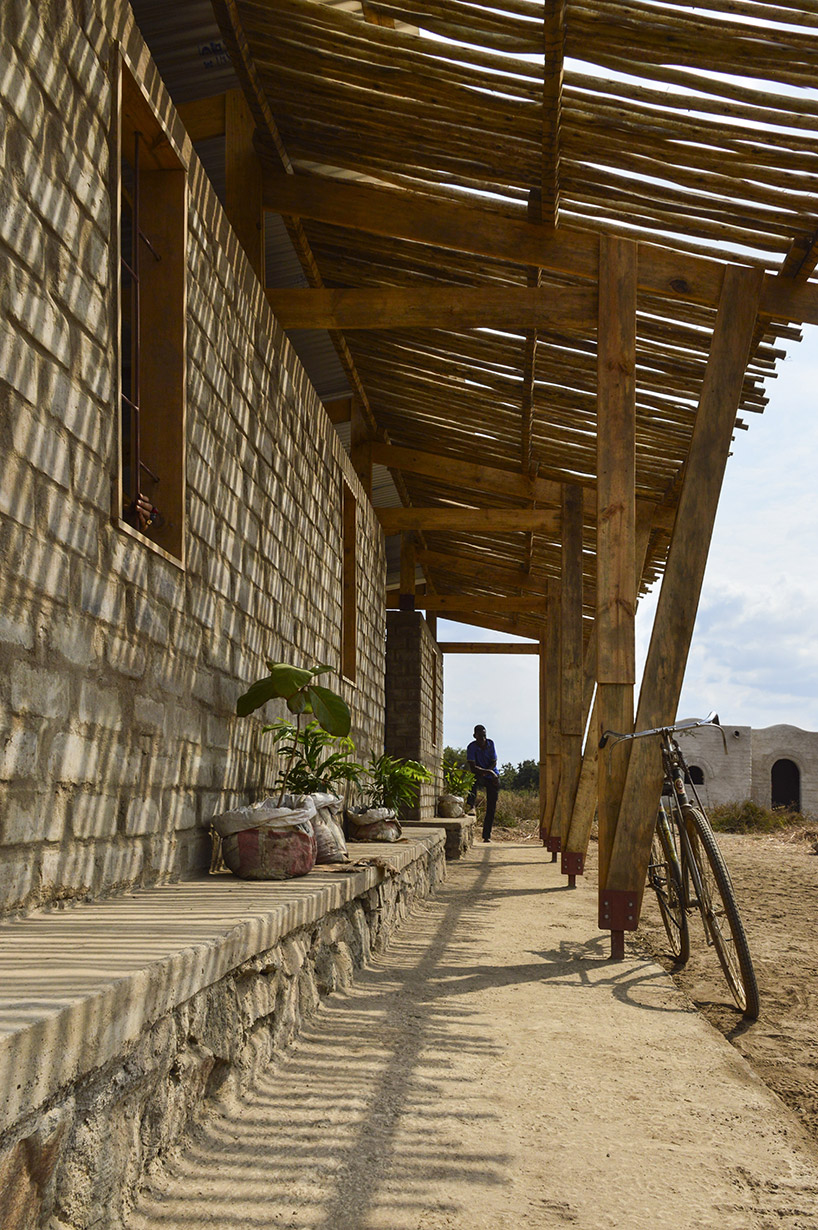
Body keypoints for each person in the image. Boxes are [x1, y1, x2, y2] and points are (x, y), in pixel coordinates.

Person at [466, 724, 499, 842]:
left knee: (491, 806)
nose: (483, 739)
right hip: (479, 773)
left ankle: (486, 835)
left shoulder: (491, 744)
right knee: (472, 780)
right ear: (475, 736)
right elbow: (472, 767)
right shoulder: (471, 747)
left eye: (484, 736)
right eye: (480, 736)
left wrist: (490, 772)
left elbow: (494, 762)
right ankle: (471, 806)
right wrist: (486, 772)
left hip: (491, 776)